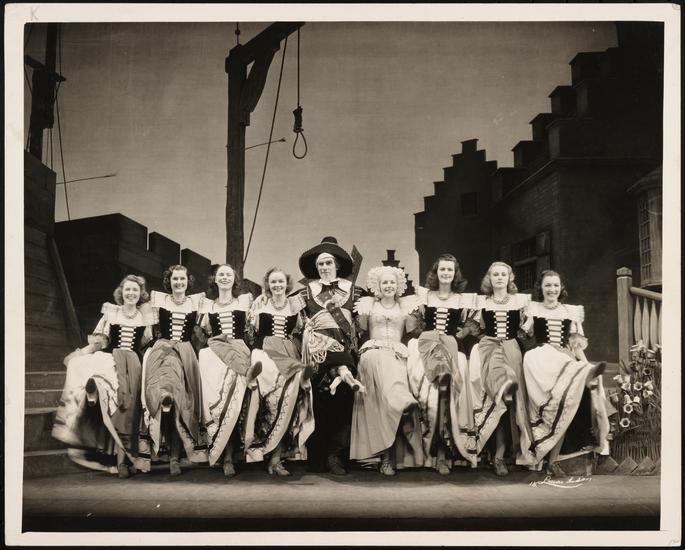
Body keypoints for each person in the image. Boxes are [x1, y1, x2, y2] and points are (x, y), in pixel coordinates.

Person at [52, 275, 153, 478]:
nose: (131, 293)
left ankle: (123, 460)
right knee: (111, 397)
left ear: (140, 294)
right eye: (127, 290)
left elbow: (146, 343)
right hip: (111, 360)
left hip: (133, 364)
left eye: (135, 290)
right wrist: (78, 354)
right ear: (121, 293)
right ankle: (95, 390)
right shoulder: (111, 313)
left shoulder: (145, 317)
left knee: (130, 410)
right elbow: (98, 343)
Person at [521, 270, 610, 475]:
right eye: (547, 285)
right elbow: (524, 334)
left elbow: (575, 346)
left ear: (561, 288)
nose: (552, 289)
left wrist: (587, 365)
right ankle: (551, 458)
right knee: (565, 380)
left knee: (576, 388)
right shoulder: (533, 309)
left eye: (555, 285)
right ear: (540, 288)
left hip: (563, 358)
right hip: (541, 357)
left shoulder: (570, 312)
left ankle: (565, 456)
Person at [291, 236, 365, 475]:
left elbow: (362, 324)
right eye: (320, 263)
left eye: (328, 263)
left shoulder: (355, 292)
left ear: (338, 265)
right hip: (317, 355)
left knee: (342, 404)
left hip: (345, 352)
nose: (324, 267)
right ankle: (317, 456)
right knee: (318, 403)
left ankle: (336, 455)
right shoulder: (304, 293)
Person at [457, 261, 532, 476]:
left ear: (510, 278)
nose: (499, 278)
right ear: (489, 278)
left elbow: (526, 332)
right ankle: (496, 455)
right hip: (488, 351)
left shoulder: (519, 302)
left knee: (511, 402)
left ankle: (507, 453)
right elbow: (472, 330)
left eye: (503, 274)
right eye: (495, 274)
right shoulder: (482, 303)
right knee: (494, 400)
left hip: (512, 351)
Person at [406, 254, 478, 475]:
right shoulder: (425, 296)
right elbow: (413, 325)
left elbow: (472, 325)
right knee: (431, 398)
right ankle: (429, 453)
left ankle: (445, 454)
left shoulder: (462, 300)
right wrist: (428, 336)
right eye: (442, 269)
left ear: (455, 274)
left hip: (453, 350)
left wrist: (459, 334)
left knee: (449, 399)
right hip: (428, 349)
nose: (446, 273)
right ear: (436, 273)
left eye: (449, 270)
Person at [350, 266, 424, 476]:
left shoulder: (406, 306)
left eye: (392, 282)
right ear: (378, 286)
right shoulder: (368, 305)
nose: (389, 286)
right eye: (385, 283)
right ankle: (384, 458)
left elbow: (415, 333)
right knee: (380, 404)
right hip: (373, 354)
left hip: (397, 354)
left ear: (398, 285)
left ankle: (402, 401)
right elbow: (358, 332)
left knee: (393, 388)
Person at [243, 267, 315, 476]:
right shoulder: (260, 303)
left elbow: (302, 331)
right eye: (273, 282)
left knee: (288, 401)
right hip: (264, 351)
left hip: (287, 352)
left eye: (280, 282)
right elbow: (251, 333)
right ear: (268, 284)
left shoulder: (295, 305)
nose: (277, 285)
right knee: (268, 402)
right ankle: (263, 453)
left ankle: (276, 459)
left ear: (287, 284)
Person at [141, 264, 206, 475]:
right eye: (175, 279)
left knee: (182, 404)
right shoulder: (159, 302)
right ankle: (170, 454)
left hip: (185, 353)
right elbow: (144, 328)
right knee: (166, 389)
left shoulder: (197, 303)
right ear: (169, 281)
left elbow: (205, 329)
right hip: (163, 350)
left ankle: (175, 455)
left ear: (188, 281)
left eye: (182, 279)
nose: (179, 282)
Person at [197, 263, 260, 477]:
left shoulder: (244, 301)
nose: (224, 278)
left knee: (234, 405)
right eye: (221, 275)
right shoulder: (207, 306)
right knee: (217, 406)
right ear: (215, 280)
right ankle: (218, 451)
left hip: (238, 353)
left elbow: (252, 329)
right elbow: (203, 333)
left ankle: (229, 457)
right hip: (215, 356)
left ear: (235, 280)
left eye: (229, 275)